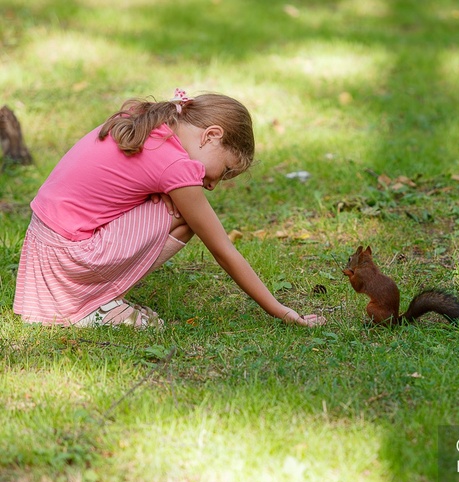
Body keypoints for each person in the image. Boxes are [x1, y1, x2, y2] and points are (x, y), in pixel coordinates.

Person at [13, 89, 325, 329]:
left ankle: (93, 295)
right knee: (184, 215)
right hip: (68, 255)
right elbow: (223, 250)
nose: (216, 183)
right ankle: (96, 305)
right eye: (227, 170)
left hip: (47, 242)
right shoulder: (175, 166)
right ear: (211, 135)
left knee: (175, 205)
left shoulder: (154, 122)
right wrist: (281, 311)